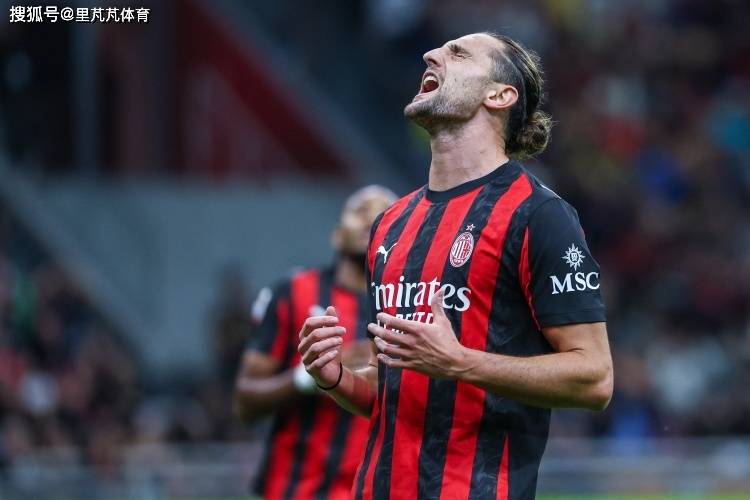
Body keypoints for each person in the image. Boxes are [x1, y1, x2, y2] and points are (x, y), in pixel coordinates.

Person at [297, 33, 614, 500]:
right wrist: (336, 379)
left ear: (500, 95)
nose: (430, 55)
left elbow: (595, 378)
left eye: (458, 54)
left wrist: (460, 362)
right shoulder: (390, 224)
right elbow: (392, 390)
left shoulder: (538, 215)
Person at [234, 185, 397, 500]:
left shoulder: (410, 303)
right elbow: (245, 404)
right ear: (337, 234)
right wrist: (308, 377)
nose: (371, 218)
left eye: (383, 212)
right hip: (297, 490)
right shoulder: (293, 292)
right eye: (360, 210)